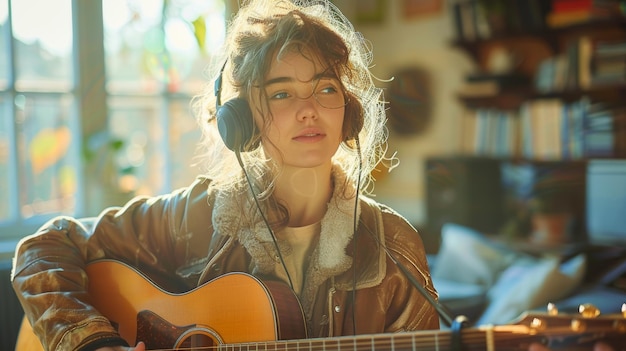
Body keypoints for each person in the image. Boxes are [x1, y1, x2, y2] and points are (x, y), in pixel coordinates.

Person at [10, 1, 619, 351]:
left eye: (326, 89)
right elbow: (42, 248)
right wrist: (90, 342)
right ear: (244, 118)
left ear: (347, 111)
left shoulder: (393, 246)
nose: (309, 110)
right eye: (282, 94)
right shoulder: (194, 218)